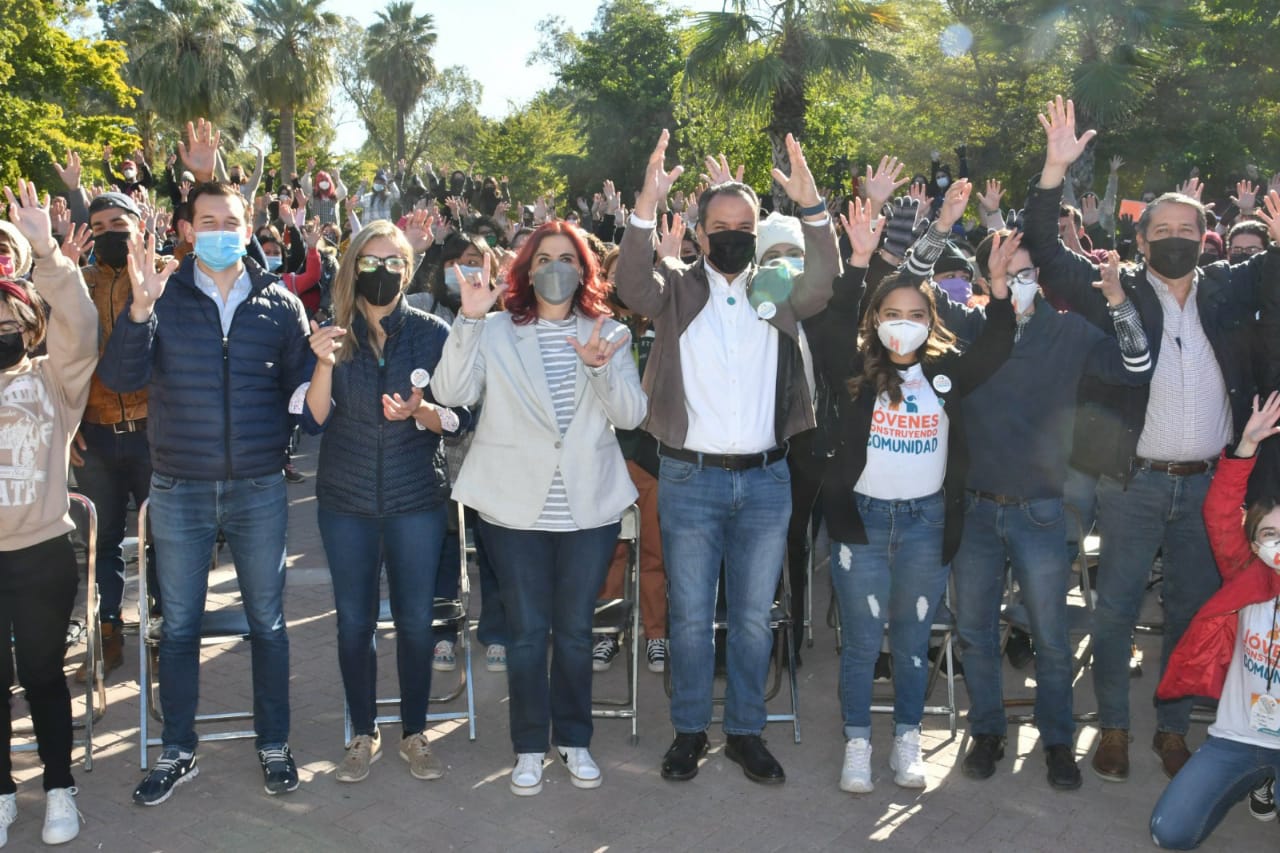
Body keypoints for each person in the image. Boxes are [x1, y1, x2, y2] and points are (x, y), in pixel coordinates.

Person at [1028, 97, 1274, 782]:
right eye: (1160, 230)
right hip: (1133, 483)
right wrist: (1052, 171)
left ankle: (1172, 729)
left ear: (1205, 238)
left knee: (1191, 610)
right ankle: (1113, 726)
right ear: (1141, 241)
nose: (1173, 239)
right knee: (1114, 610)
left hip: (1208, 486)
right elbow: (1045, 252)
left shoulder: (1225, 290)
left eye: (1185, 230)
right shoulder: (1116, 288)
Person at [615, 131, 839, 786]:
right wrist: (643, 205)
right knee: (689, 618)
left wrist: (813, 205)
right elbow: (631, 281)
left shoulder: (779, 287)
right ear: (700, 234)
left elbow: (825, 280)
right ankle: (689, 730)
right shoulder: (676, 290)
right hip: (690, 479)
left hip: (767, 481)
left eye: (745, 228)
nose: (734, 238)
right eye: (721, 229)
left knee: (750, 619)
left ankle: (745, 732)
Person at [98, 151, 312, 803]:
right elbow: (121, 378)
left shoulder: (280, 303)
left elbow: (303, 393)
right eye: (209, 221)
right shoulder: (160, 293)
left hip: (257, 488)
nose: (221, 231)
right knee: (180, 625)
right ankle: (177, 749)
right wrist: (139, 311)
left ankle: (274, 742)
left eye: (233, 221)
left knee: (267, 622)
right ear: (187, 229)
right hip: (179, 487)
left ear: (248, 229)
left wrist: (286, 431)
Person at [431, 221, 646, 797]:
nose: (556, 268)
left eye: (567, 258)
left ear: (584, 269)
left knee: (574, 632)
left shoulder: (610, 332)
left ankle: (574, 740)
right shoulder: (495, 330)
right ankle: (529, 746)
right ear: (526, 269)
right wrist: (469, 319)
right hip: (512, 509)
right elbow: (450, 393)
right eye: (544, 257)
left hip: (588, 509)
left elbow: (631, 415)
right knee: (526, 635)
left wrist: (599, 369)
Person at [814, 196, 1014, 794]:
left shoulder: (945, 374)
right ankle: (857, 742)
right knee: (861, 642)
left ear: (931, 320)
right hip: (862, 524)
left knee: (912, 641)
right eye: (892, 312)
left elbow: (997, 345)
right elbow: (829, 326)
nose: (903, 322)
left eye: (915, 313)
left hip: (927, 525)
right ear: (876, 319)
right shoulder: (854, 372)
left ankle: (907, 738)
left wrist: (999, 290)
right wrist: (857, 263)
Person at [952, 232, 1152, 791]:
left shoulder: (1067, 331)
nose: (1015, 282)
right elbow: (900, 288)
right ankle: (987, 730)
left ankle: (1058, 740)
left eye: (1023, 272)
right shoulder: (969, 327)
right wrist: (940, 225)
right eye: (1002, 270)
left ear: (1038, 277)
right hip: (975, 510)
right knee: (974, 632)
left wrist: (1118, 300)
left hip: (1040, 509)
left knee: (1051, 636)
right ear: (984, 276)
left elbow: (1137, 365)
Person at [301, 220, 470, 784]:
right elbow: (313, 421)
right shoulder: (332, 335)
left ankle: (415, 733)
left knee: (416, 623)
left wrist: (423, 413)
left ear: (408, 268)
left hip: (415, 498)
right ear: (353, 268)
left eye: (393, 262)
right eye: (369, 262)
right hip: (345, 502)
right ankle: (363, 733)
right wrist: (323, 362)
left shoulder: (432, 332)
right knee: (354, 623)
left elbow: (461, 414)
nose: (381, 272)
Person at [0, 179, 98, 847]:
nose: (2, 330)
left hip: (41, 553)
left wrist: (46, 254)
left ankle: (59, 787)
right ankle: (3, 792)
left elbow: (82, 329)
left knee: (40, 674)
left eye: (11, 320)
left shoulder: (52, 379)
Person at [1149, 392, 1280, 848]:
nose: (1278, 543)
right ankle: (1253, 776)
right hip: (1237, 737)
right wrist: (1246, 446)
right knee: (1170, 833)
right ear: (1255, 544)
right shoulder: (1246, 575)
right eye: (1270, 534)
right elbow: (1220, 512)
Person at [68, 192, 160, 683]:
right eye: (99, 226)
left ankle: (163, 632)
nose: (109, 234)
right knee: (101, 543)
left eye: (118, 223)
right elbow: (52, 356)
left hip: (152, 433)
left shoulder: (162, 273)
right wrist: (66, 426)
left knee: (162, 538)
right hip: (95, 434)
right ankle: (107, 633)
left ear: (138, 225)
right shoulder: (78, 282)